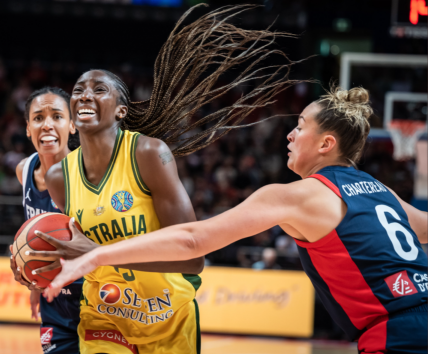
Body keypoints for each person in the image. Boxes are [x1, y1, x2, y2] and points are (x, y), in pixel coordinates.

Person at [46, 86, 428, 354]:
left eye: (300, 126)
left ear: (326, 144)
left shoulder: (296, 195)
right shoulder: (378, 189)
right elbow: (424, 228)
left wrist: (96, 255)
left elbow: (194, 241)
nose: (291, 135)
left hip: (396, 333)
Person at [8, 87, 82, 354]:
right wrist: (34, 283)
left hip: (92, 296)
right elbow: (36, 234)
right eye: (38, 118)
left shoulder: (87, 173)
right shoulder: (24, 169)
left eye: (57, 116)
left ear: (72, 125)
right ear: (28, 128)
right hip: (54, 302)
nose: (47, 124)